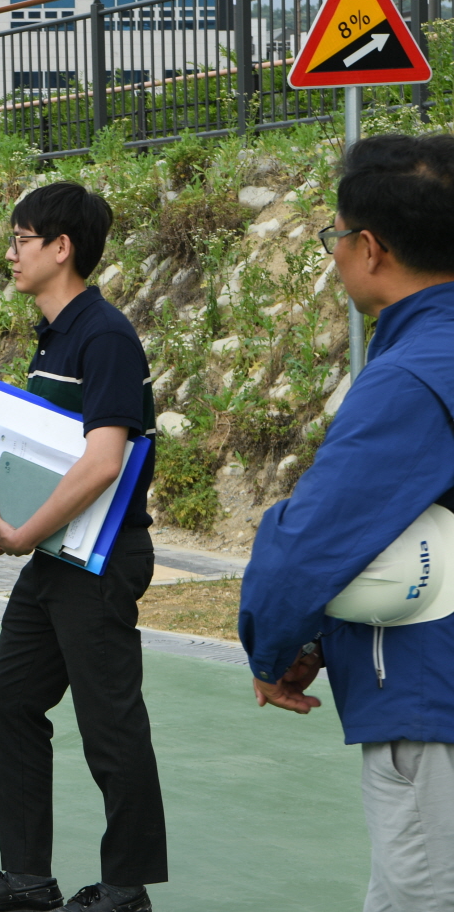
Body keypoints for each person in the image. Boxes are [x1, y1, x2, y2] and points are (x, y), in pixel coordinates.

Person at [238, 134, 454, 912]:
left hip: (433, 695)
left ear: (370, 247)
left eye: (335, 237)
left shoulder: (409, 376)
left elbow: (310, 543)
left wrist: (276, 646)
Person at [0, 182, 164, 912]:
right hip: (58, 554)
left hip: (99, 557)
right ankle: (29, 881)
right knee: (10, 696)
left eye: (21, 238)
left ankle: (127, 888)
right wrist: (3, 517)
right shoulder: (56, 335)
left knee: (109, 722)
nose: (10, 252)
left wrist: (25, 533)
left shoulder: (101, 334)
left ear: (61, 247)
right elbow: (52, 454)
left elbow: (105, 459)